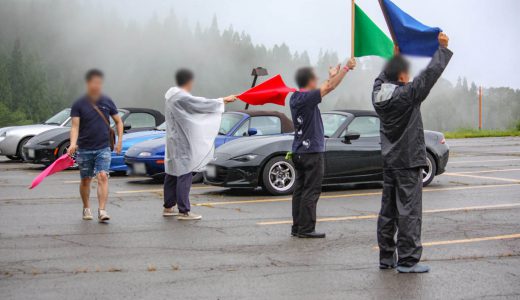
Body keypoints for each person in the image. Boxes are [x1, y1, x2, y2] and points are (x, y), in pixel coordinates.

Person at [372, 33, 452, 273]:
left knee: (388, 212)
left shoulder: (378, 94)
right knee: (409, 212)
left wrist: (394, 58)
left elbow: (381, 77)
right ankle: (407, 260)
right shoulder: (408, 95)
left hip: (390, 161)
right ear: (402, 76)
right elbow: (428, 76)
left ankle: (386, 258)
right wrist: (442, 50)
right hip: (407, 162)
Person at [290, 58, 356, 238]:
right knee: (311, 190)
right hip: (312, 152)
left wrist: (331, 77)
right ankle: (307, 229)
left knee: (300, 190)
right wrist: (345, 69)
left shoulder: (295, 97)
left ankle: (297, 227)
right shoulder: (307, 98)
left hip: (299, 151)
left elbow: (327, 84)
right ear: (310, 81)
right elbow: (329, 87)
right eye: (315, 79)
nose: (318, 82)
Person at [162, 69, 236, 220]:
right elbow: (200, 104)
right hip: (181, 141)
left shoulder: (171, 95)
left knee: (172, 172)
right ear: (189, 81)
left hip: (172, 140)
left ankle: (169, 207)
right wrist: (223, 100)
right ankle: (184, 211)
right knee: (184, 173)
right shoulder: (180, 97)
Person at [68, 69, 123, 222]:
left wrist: (119, 141)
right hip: (84, 148)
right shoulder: (79, 103)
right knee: (86, 179)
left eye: (99, 83)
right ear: (88, 83)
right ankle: (86, 207)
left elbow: (118, 121)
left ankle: (102, 210)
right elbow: (75, 126)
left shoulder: (107, 100)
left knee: (103, 176)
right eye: (94, 82)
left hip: (103, 147)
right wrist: (73, 143)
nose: (97, 85)